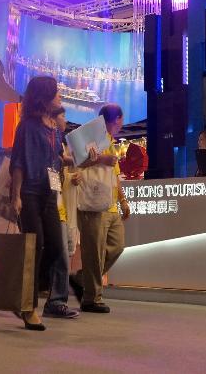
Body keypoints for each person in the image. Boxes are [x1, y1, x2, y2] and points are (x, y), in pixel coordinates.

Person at [10, 76, 75, 329]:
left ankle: (23, 294)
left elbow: (58, 160)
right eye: (56, 93)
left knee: (56, 248)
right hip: (30, 193)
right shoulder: (27, 126)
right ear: (44, 97)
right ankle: (28, 308)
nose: (60, 96)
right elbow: (18, 163)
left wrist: (84, 159)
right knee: (34, 248)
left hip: (50, 194)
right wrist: (16, 196)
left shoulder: (54, 128)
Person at [75, 103, 130, 314]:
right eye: (120, 120)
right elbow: (77, 162)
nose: (121, 125)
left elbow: (115, 176)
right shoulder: (90, 136)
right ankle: (92, 298)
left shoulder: (111, 141)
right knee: (94, 252)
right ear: (115, 119)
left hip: (110, 204)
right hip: (92, 202)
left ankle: (83, 278)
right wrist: (100, 159)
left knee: (117, 246)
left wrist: (123, 200)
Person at [50, 107, 83, 307]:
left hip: (59, 201)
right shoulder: (45, 137)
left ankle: (57, 296)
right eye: (62, 115)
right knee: (57, 249)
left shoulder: (58, 142)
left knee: (63, 248)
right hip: (49, 200)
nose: (65, 119)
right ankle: (56, 297)